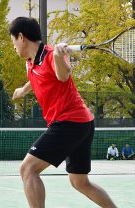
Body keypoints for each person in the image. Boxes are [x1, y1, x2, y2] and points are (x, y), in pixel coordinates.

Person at [9, 17, 117, 208]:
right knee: (80, 182)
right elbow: (38, 77)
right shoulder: (30, 62)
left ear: (21, 37)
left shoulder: (52, 55)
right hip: (83, 123)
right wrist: (24, 90)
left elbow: (63, 75)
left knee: (28, 169)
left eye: (13, 41)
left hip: (69, 122)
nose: (13, 47)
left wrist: (59, 56)